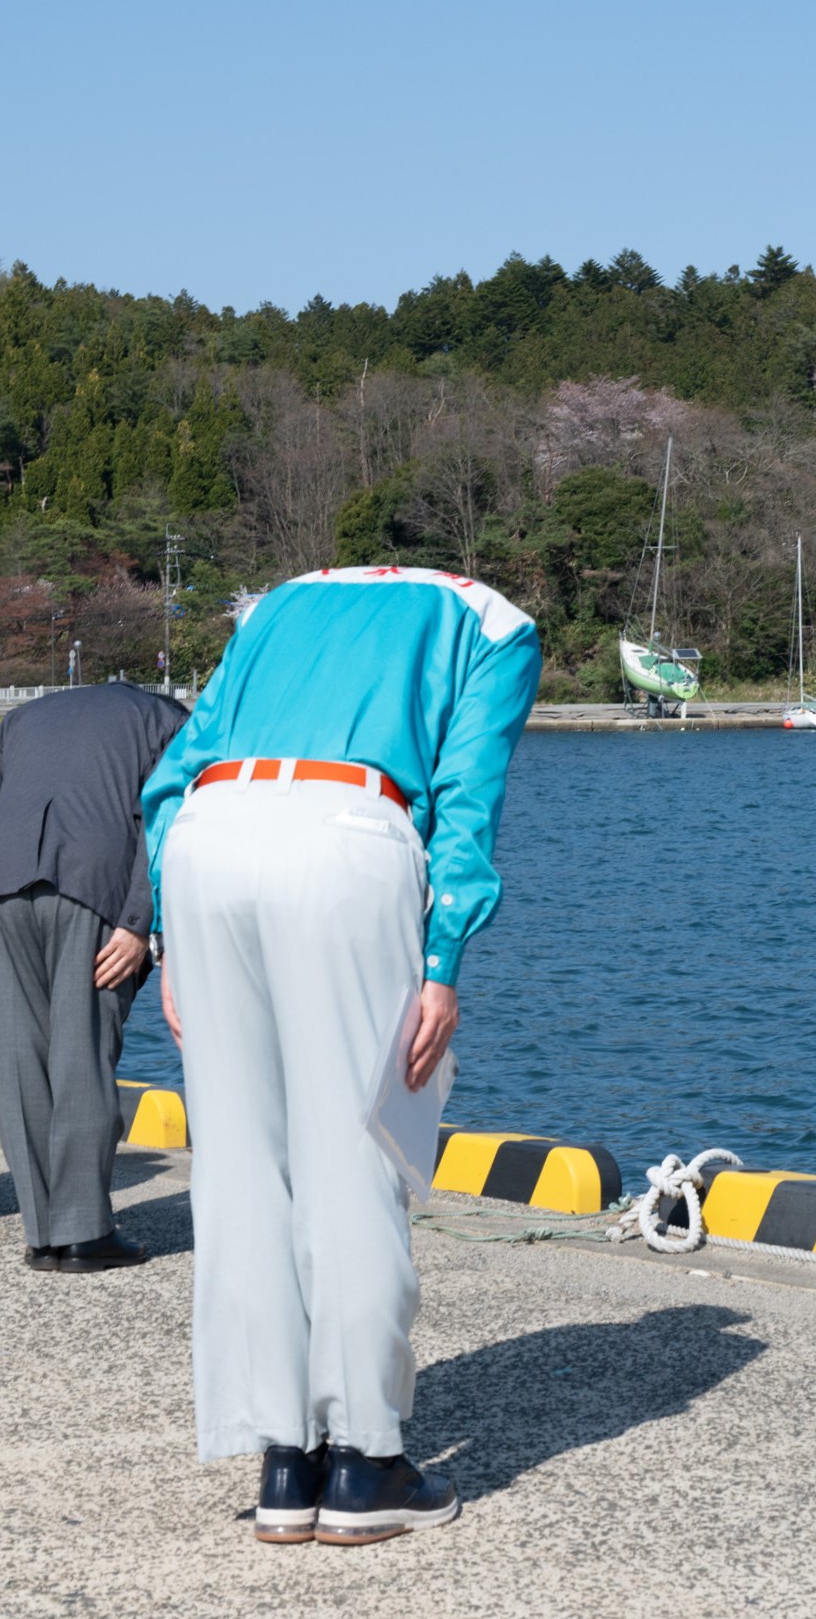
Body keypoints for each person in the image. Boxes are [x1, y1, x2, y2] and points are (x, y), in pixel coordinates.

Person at [141, 565, 541, 1547]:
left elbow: (171, 771)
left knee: (239, 1164)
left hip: (210, 835)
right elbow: (464, 797)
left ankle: (286, 1457)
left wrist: (168, 939)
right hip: (349, 835)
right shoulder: (495, 624)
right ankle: (365, 1464)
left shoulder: (274, 602)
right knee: (354, 1154)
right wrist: (443, 958)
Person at [0, 681, 186, 1272]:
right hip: (91, 883)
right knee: (82, 1053)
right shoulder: (168, 720)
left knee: (18, 1061)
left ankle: (43, 1231)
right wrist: (137, 920)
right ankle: (83, 1233)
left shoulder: (24, 717)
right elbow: (166, 818)